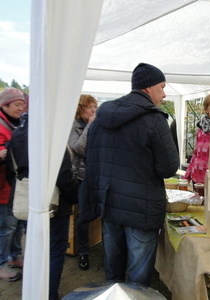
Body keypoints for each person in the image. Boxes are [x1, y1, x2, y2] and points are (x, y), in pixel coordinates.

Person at [79, 62, 179, 286]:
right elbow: (168, 168)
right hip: (140, 210)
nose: (164, 94)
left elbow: (90, 160)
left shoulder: (101, 118)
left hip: (109, 204)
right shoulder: (154, 119)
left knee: (113, 272)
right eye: (162, 87)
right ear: (147, 88)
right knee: (138, 278)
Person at [6, 111, 79, 300]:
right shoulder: (51, 135)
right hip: (54, 203)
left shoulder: (17, 133)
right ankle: (49, 295)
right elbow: (64, 176)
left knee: (34, 248)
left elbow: (10, 171)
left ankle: (35, 292)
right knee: (54, 251)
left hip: (26, 200)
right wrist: (74, 196)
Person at [68, 94, 97, 270]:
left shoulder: (94, 124)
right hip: (81, 177)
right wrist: (91, 126)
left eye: (95, 107)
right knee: (83, 216)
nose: (94, 110)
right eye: (89, 107)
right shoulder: (73, 125)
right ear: (80, 109)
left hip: (97, 175)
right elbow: (78, 147)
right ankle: (83, 252)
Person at [0, 87, 25, 282]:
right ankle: (1, 263)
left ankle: (14, 256)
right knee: (6, 227)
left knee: (17, 224)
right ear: (5, 105)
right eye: (17, 104)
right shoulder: (1, 126)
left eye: (22, 103)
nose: (21, 108)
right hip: (3, 187)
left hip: (15, 186)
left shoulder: (18, 124)